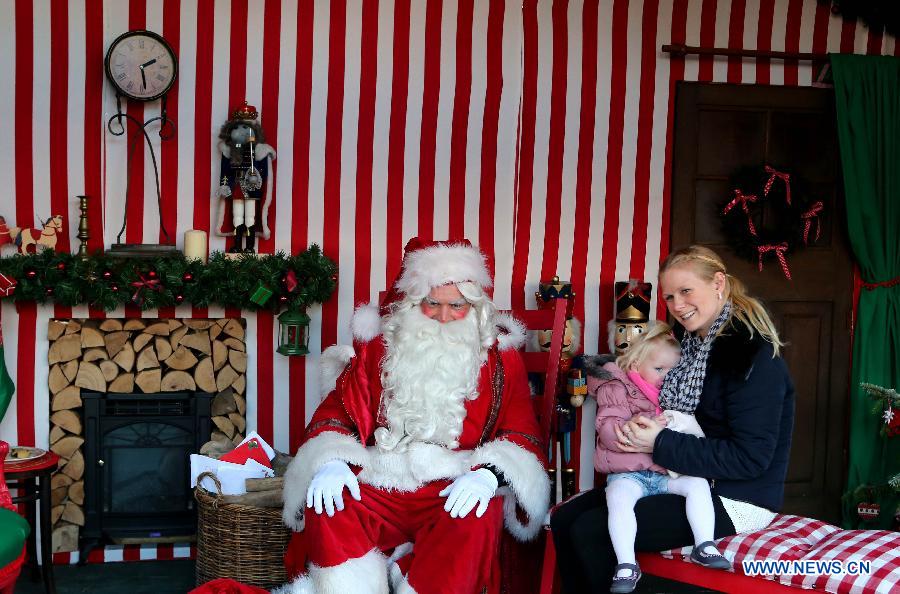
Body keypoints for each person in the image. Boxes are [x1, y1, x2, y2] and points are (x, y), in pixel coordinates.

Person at [280, 238, 550, 594]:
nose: (443, 316)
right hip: (379, 481)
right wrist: (332, 460)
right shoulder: (379, 348)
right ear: (411, 301)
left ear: (475, 305)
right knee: (328, 503)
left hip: (453, 483)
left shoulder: (500, 358)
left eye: (457, 305)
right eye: (431, 304)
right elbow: (336, 412)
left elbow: (520, 431)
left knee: (477, 514)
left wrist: (489, 474)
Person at [550, 244, 795, 593]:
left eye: (686, 291)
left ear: (718, 283)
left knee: (591, 530)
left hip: (737, 495)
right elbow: (649, 395)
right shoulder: (687, 346)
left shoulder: (751, 356)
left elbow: (750, 459)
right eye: (669, 296)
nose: (678, 305)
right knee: (564, 518)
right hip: (681, 473)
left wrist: (659, 441)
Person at [588, 322, 730, 593]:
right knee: (618, 498)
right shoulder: (617, 387)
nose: (666, 376)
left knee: (698, 484)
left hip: (663, 472)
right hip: (629, 473)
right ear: (636, 362)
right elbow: (610, 431)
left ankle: (705, 544)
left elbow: (685, 432)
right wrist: (647, 429)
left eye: (671, 371)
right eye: (659, 369)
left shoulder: (671, 395)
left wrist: (673, 429)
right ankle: (626, 563)